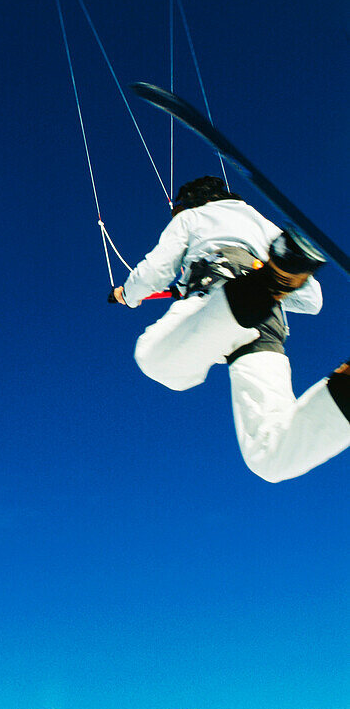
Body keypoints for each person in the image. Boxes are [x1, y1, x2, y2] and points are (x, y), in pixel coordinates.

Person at [111, 176, 350, 482]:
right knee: (270, 456)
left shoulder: (191, 217)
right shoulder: (258, 219)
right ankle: (266, 285)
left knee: (156, 359)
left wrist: (127, 296)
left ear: (191, 200)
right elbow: (311, 299)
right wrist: (271, 280)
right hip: (265, 321)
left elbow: (154, 271)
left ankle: (260, 288)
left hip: (214, 295)